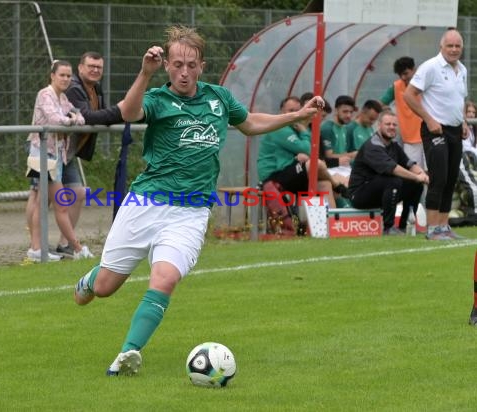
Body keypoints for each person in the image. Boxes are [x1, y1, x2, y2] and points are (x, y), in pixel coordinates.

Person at [73, 25, 325, 376]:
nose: (184, 72)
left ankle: (127, 353)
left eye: (191, 64)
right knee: (104, 288)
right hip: (146, 203)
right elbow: (128, 114)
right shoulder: (158, 99)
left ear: (201, 66)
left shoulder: (218, 98)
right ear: (167, 66)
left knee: (164, 278)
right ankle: (91, 278)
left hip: (190, 211)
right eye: (177, 64)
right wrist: (145, 73)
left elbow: (250, 122)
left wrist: (297, 116)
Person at [53, 51, 124, 257]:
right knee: (41, 199)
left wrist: (119, 113)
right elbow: (88, 117)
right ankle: (36, 249)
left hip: (68, 153)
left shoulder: (95, 88)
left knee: (78, 194)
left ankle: (64, 244)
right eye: (91, 66)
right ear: (80, 67)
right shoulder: (74, 87)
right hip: (50, 150)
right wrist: (120, 111)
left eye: (99, 67)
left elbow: (96, 116)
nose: (95, 70)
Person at [403, 28, 469, 240]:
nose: (454, 49)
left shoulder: (462, 69)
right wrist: (429, 120)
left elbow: (460, 99)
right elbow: (409, 95)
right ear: (441, 47)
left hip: (455, 130)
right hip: (435, 129)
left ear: (462, 48)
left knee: (451, 179)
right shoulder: (430, 67)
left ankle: (443, 227)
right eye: (450, 45)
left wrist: (464, 121)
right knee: (438, 177)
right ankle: (432, 229)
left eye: (457, 46)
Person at [25, 60, 94, 261]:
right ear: (52, 76)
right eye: (62, 75)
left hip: (56, 156)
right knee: (57, 203)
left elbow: (80, 117)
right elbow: (55, 119)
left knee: (44, 201)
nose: (65, 79)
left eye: (68, 76)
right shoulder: (45, 94)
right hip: (43, 154)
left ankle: (39, 249)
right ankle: (74, 248)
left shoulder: (62, 98)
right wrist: (70, 120)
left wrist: (71, 119)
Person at [258, 96, 346, 210]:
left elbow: (313, 153)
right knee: (315, 164)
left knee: (324, 184)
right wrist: (304, 134)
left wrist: (300, 154)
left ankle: (330, 224)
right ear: (281, 111)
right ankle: (337, 185)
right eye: (291, 111)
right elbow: (310, 151)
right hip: (273, 177)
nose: (294, 114)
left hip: (289, 171)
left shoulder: (298, 127)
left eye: (297, 111)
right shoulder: (280, 127)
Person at [348, 110, 429, 235]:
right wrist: (416, 177)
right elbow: (394, 169)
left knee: (415, 185)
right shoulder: (373, 146)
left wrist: (422, 175)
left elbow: (409, 164)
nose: (391, 127)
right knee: (393, 180)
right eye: (388, 124)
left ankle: (405, 225)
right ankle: (388, 228)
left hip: (380, 191)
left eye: (394, 125)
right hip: (359, 195)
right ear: (379, 125)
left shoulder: (394, 145)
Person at [379, 57, 426, 171]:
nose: (403, 77)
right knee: (414, 172)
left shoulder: (426, 83)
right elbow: (380, 104)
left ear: (414, 70)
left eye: (406, 73)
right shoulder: (396, 86)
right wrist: (388, 112)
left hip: (428, 133)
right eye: (400, 74)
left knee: (432, 171)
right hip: (409, 138)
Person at [319, 94, 356, 172]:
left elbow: (344, 151)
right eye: (345, 111)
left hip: (343, 167)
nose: (349, 115)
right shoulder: (328, 128)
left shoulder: (344, 128)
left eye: (351, 112)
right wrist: (351, 155)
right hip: (332, 168)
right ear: (336, 110)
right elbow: (328, 156)